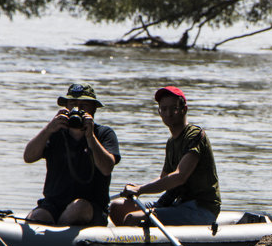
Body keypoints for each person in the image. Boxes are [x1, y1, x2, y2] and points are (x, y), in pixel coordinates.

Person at [110, 86, 222, 226]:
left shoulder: (194, 135)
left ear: (184, 109)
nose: (168, 114)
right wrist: (139, 187)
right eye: (164, 109)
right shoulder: (171, 142)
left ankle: (133, 245)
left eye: (173, 108)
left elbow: (180, 176)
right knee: (116, 207)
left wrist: (140, 190)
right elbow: (165, 177)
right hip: (177, 204)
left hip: (201, 208)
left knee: (133, 218)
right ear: (159, 112)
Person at [24, 82, 121, 225]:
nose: (77, 109)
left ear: (93, 108)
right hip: (54, 204)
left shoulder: (104, 134)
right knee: (38, 215)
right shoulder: (55, 133)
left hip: (89, 207)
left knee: (78, 207)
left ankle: (56, 237)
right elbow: (28, 157)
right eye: (73, 104)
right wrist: (49, 128)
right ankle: (47, 238)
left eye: (84, 105)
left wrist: (90, 136)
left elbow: (107, 168)